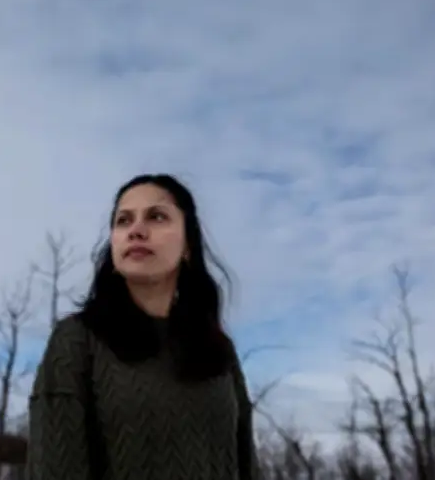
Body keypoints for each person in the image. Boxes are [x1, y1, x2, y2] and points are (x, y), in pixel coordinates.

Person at [25, 173, 260, 480]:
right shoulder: (77, 340)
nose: (136, 230)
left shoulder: (217, 349)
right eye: (123, 221)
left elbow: (247, 465)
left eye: (156, 217)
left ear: (188, 245)